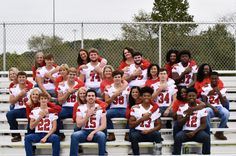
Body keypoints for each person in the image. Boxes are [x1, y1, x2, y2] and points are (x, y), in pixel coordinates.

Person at [173, 88, 210, 155]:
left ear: (196, 97)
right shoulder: (182, 107)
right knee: (178, 137)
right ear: (186, 97)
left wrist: (194, 132)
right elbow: (179, 123)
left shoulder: (201, 108)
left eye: (193, 96)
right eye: (189, 96)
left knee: (206, 137)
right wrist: (187, 115)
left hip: (197, 131)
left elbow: (204, 124)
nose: (191, 97)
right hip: (185, 131)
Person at [70, 89, 107, 156]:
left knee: (102, 135)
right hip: (84, 131)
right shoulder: (80, 108)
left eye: (93, 96)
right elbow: (78, 125)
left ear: (95, 98)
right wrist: (87, 115)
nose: (91, 97)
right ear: (86, 98)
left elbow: (103, 125)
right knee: (74, 135)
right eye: (89, 95)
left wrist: (93, 133)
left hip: (96, 131)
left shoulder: (100, 108)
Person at [129, 86, 162, 155]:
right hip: (139, 132)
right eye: (144, 96)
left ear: (151, 97)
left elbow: (159, 125)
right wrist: (141, 119)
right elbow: (131, 124)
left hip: (150, 132)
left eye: (148, 96)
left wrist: (149, 131)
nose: (146, 97)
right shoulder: (136, 108)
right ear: (141, 97)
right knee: (133, 136)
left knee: (158, 134)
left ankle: (158, 153)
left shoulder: (155, 109)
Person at [57, 67, 85, 140]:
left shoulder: (80, 85)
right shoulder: (62, 85)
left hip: (77, 107)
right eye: (70, 74)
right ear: (67, 75)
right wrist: (68, 92)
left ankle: (78, 138)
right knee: (55, 115)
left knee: (81, 118)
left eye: (74, 74)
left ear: (76, 76)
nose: (72, 76)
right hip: (66, 107)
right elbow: (60, 101)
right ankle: (60, 134)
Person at [201, 71, 230, 140]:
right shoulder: (205, 88)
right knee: (206, 112)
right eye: (212, 78)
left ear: (218, 79)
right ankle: (207, 131)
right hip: (210, 107)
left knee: (226, 113)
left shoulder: (222, 88)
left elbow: (224, 103)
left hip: (219, 107)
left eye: (215, 78)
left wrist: (219, 93)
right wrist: (213, 108)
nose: (214, 80)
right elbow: (204, 102)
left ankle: (219, 132)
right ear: (209, 79)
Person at [7, 71, 33, 142]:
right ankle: (16, 135)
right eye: (20, 77)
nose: (22, 79)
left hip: (28, 109)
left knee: (33, 115)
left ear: (26, 78)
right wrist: (19, 95)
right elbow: (11, 102)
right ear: (17, 79)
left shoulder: (30, 88)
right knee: (9, 114)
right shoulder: (13, 88)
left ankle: (29, 135)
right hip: (18, 109)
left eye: (23, 77)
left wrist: (31, 102)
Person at [104, 70, 129, 141]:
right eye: (115, 77)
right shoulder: (109, 88)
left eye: (119, 77)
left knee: (133, 114)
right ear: (113, 78)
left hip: (124, 108)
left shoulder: (127, 88)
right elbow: (106, 102)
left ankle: (127, 134)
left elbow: (129, 100)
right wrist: (113, 96)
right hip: (113, 108)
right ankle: (111, 134)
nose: (117, 78)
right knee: (104, 115)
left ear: (121, 78)